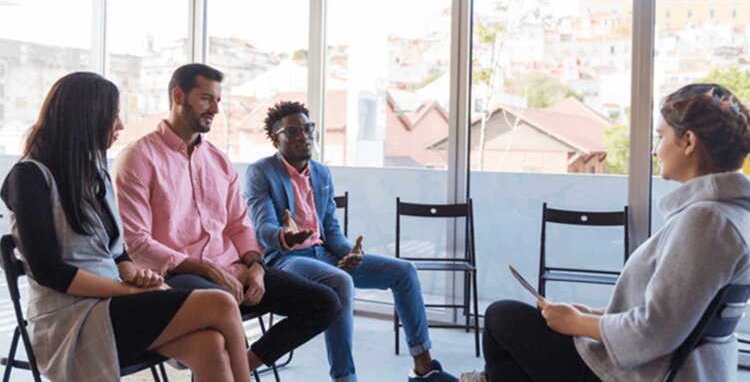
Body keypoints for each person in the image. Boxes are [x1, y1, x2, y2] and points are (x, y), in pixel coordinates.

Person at [480, 83, 750, 382]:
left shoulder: (707, 223)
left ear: (689, 142)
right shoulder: (728, 216)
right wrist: (593, 315)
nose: (655, 150)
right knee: (509, 367)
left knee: (501, 317)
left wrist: (577, 322)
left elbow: (654, 331)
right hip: (659, 368)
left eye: (661, 137)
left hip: (643, 375)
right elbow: (675, 316)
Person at [1, 72, 252, 382]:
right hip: (69, 321)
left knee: (209, 344)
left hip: (111, 306)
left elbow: (118, 253)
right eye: (114, 114)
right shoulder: (29, 177)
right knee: (221, 303)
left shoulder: (96, 174)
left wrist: (138, 277)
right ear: (87, 116)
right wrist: (126, 289)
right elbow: (49, 271)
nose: (120, 124)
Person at [113, 64, 341, 373]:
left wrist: (256, 266)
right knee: (220, 308)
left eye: (219, 100)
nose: (216, 109)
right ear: (178, 96)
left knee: (325, 303)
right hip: (175, 275)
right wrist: (207, 269)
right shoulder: (139, 158)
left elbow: (239, 225)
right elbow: (137, 243)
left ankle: (241, 368)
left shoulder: (219, 160)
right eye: (207, 98)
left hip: (233, 270)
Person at [244, 101, 459, 382]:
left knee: (404, 272)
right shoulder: (261, 172)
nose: (303, 136)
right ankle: (345, 377)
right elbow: (263, 229)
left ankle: (424, 369)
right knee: (339, 282)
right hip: (288, 260)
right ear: (276, 138)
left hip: (324, 254)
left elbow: (331, 229)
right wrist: (285, 236)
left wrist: (351, 253)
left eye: (308, 128)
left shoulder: (321, 173)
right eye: (293, 130)